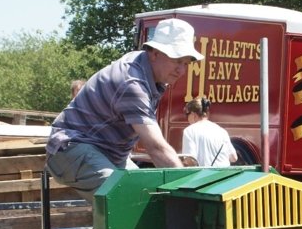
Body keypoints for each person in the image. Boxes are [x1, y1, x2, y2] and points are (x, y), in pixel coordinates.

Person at [45, 18, 203, 200]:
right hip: (72, 148)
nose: (181, 70)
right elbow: (155, 147)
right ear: (155, 53)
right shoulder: (132, 82)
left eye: (186, 63)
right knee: (127, 199)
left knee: (147, 195)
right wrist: (188, 191)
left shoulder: (149, 72)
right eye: (177, 60)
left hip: (107, 153)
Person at [180, 96, 238, 167]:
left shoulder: (189, 131)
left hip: (205, 176)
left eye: (187, 115)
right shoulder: (222, 131)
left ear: (193, 114)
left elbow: (191, 160)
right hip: (224, 175)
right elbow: (234, 158)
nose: (187, 119)